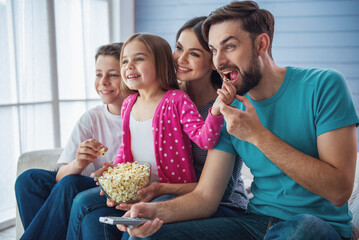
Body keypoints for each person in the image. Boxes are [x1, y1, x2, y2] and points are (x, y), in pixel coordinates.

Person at [118, 1, 359, 240]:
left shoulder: (323, 86)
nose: (218, 61)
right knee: (150, 235)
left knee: (303, 228)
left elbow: (338, 191)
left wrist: (258, 135)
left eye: (229, 46)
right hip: (255, 224)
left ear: (261, 45)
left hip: (315, 225)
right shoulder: (227, 109)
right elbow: (205, 198)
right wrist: (153, 211)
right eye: (213, 50)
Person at [66, 33, 236, 240]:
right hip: (137, 187)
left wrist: (215, 112)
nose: (129, 66)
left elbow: (204, 139)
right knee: (81, 201)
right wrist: (115, 171)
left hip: (171, 190)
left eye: (138, 59)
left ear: (161, 64)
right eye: (125, 61)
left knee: (135, 225)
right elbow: (125, 147)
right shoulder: (129, 103)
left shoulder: (176, 100)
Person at [15, 42, 126, 240]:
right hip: (85, 183)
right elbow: (60, 176)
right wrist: (78, 163)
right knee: (29, 180)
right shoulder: (91, 118)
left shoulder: (140, 115)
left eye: (113, 75)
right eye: (99, 74)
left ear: (128, 75)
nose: (103, 82)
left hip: (111, 190)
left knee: (71, 184)